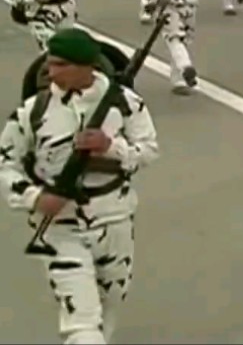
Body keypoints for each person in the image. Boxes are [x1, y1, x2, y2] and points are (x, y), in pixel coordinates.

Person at [0, 28, 160, 344]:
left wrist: (111, 147)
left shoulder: (126, 104)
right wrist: (35, 197)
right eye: (50, 63)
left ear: (87, 66)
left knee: (110, 302)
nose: (50, 71)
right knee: (82, 321)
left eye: (60, 64)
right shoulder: (35, 110)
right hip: (60, 227)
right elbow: (6, 162)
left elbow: (150, 150)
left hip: (114, 219)